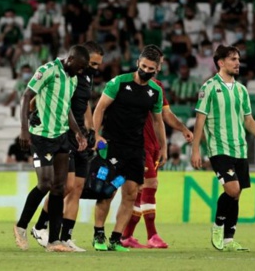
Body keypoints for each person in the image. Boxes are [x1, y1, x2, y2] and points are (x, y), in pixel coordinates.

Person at [191, 45, 255, 252]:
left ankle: (229, 240)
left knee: (237, 194)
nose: (238, 63)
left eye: (238, 59)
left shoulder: (242, 90)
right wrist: (195, 150)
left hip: (240, 148)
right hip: (219, 148)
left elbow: (248, 119)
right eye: (233, 59)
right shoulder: (208, 87)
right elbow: (200, 121)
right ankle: (217, 226)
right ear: (221, 62)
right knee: (232, 189)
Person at [13, 45, 90, 252]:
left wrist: (77, 132)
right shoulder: (47, 70)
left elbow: (66, 110)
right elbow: (27, 96)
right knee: (45, 183)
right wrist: (23, 129)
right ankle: (20, 226)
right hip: (41, 136)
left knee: (59, 187)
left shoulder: (73, 79)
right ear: (70, 59)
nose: (81, 71)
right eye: (80, 67)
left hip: (62, 137)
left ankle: (54, 241)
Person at [91, 45, 167, 252]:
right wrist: (96, 135)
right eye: (143, 66)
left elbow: (158, 121)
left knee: (132, 194)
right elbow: (99, 109)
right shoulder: (118, 82)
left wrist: (163, 147)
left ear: (157, 69)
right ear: (137, 63)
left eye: (151, 69)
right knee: (108, 192)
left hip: (136, 149)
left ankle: (116, 239)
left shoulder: (155, 91)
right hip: (112, 146)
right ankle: (98, 235)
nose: (146, 71)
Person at [30, 41, 104, 252]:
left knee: (77, 188)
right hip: (64, 133)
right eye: (93, 63)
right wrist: (34, 114)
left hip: (81, 135)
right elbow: (41, 96)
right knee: (65, 186)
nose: (95, 68)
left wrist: (91, 131)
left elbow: (85, 104)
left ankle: (66, 237)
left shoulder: (86, 76)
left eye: (98, 65)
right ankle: (40, 226)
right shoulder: (68, 73)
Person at [119, 45, 194, 249]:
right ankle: (152, 235)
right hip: (138, 145)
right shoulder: (125, 83)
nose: (150, 68)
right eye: (146, 64)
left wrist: (181, 130)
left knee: (140, 191)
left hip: (152, 146)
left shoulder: (157, 87)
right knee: (149, 187)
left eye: (155, 64)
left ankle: (126, 236)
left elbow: (164, 116)